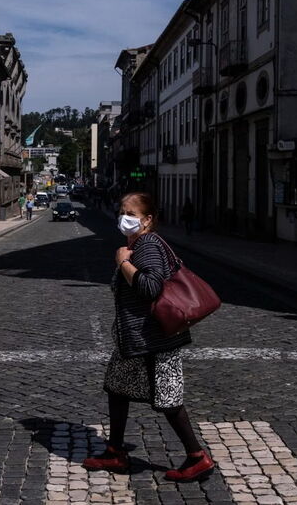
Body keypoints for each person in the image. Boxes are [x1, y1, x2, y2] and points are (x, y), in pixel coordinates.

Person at [83, 192, 215, 482]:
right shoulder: (140, 243)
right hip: (139, 339)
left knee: (168, 400)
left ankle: (197, 456)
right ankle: (115, 451)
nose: (123, 217)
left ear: (148, 219)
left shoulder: (148, 246)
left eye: (130, 213)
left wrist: (123, 263)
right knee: (117, 388)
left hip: (153, 339)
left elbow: (150, 288)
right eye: (121, 211)